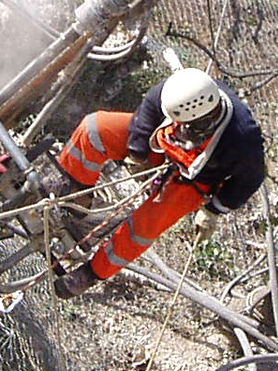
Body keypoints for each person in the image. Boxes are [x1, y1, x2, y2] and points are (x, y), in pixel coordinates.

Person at [49, 68, 266, 298]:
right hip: (162, 144)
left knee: (145, 226)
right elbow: (151, 104)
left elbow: (251, 178)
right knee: (95, 128)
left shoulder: (243, 138)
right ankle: (75, 193)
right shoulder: (184, 88)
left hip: (194, 178)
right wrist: (137, 151)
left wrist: (214, 210)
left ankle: (88, 275)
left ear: (206, 119)